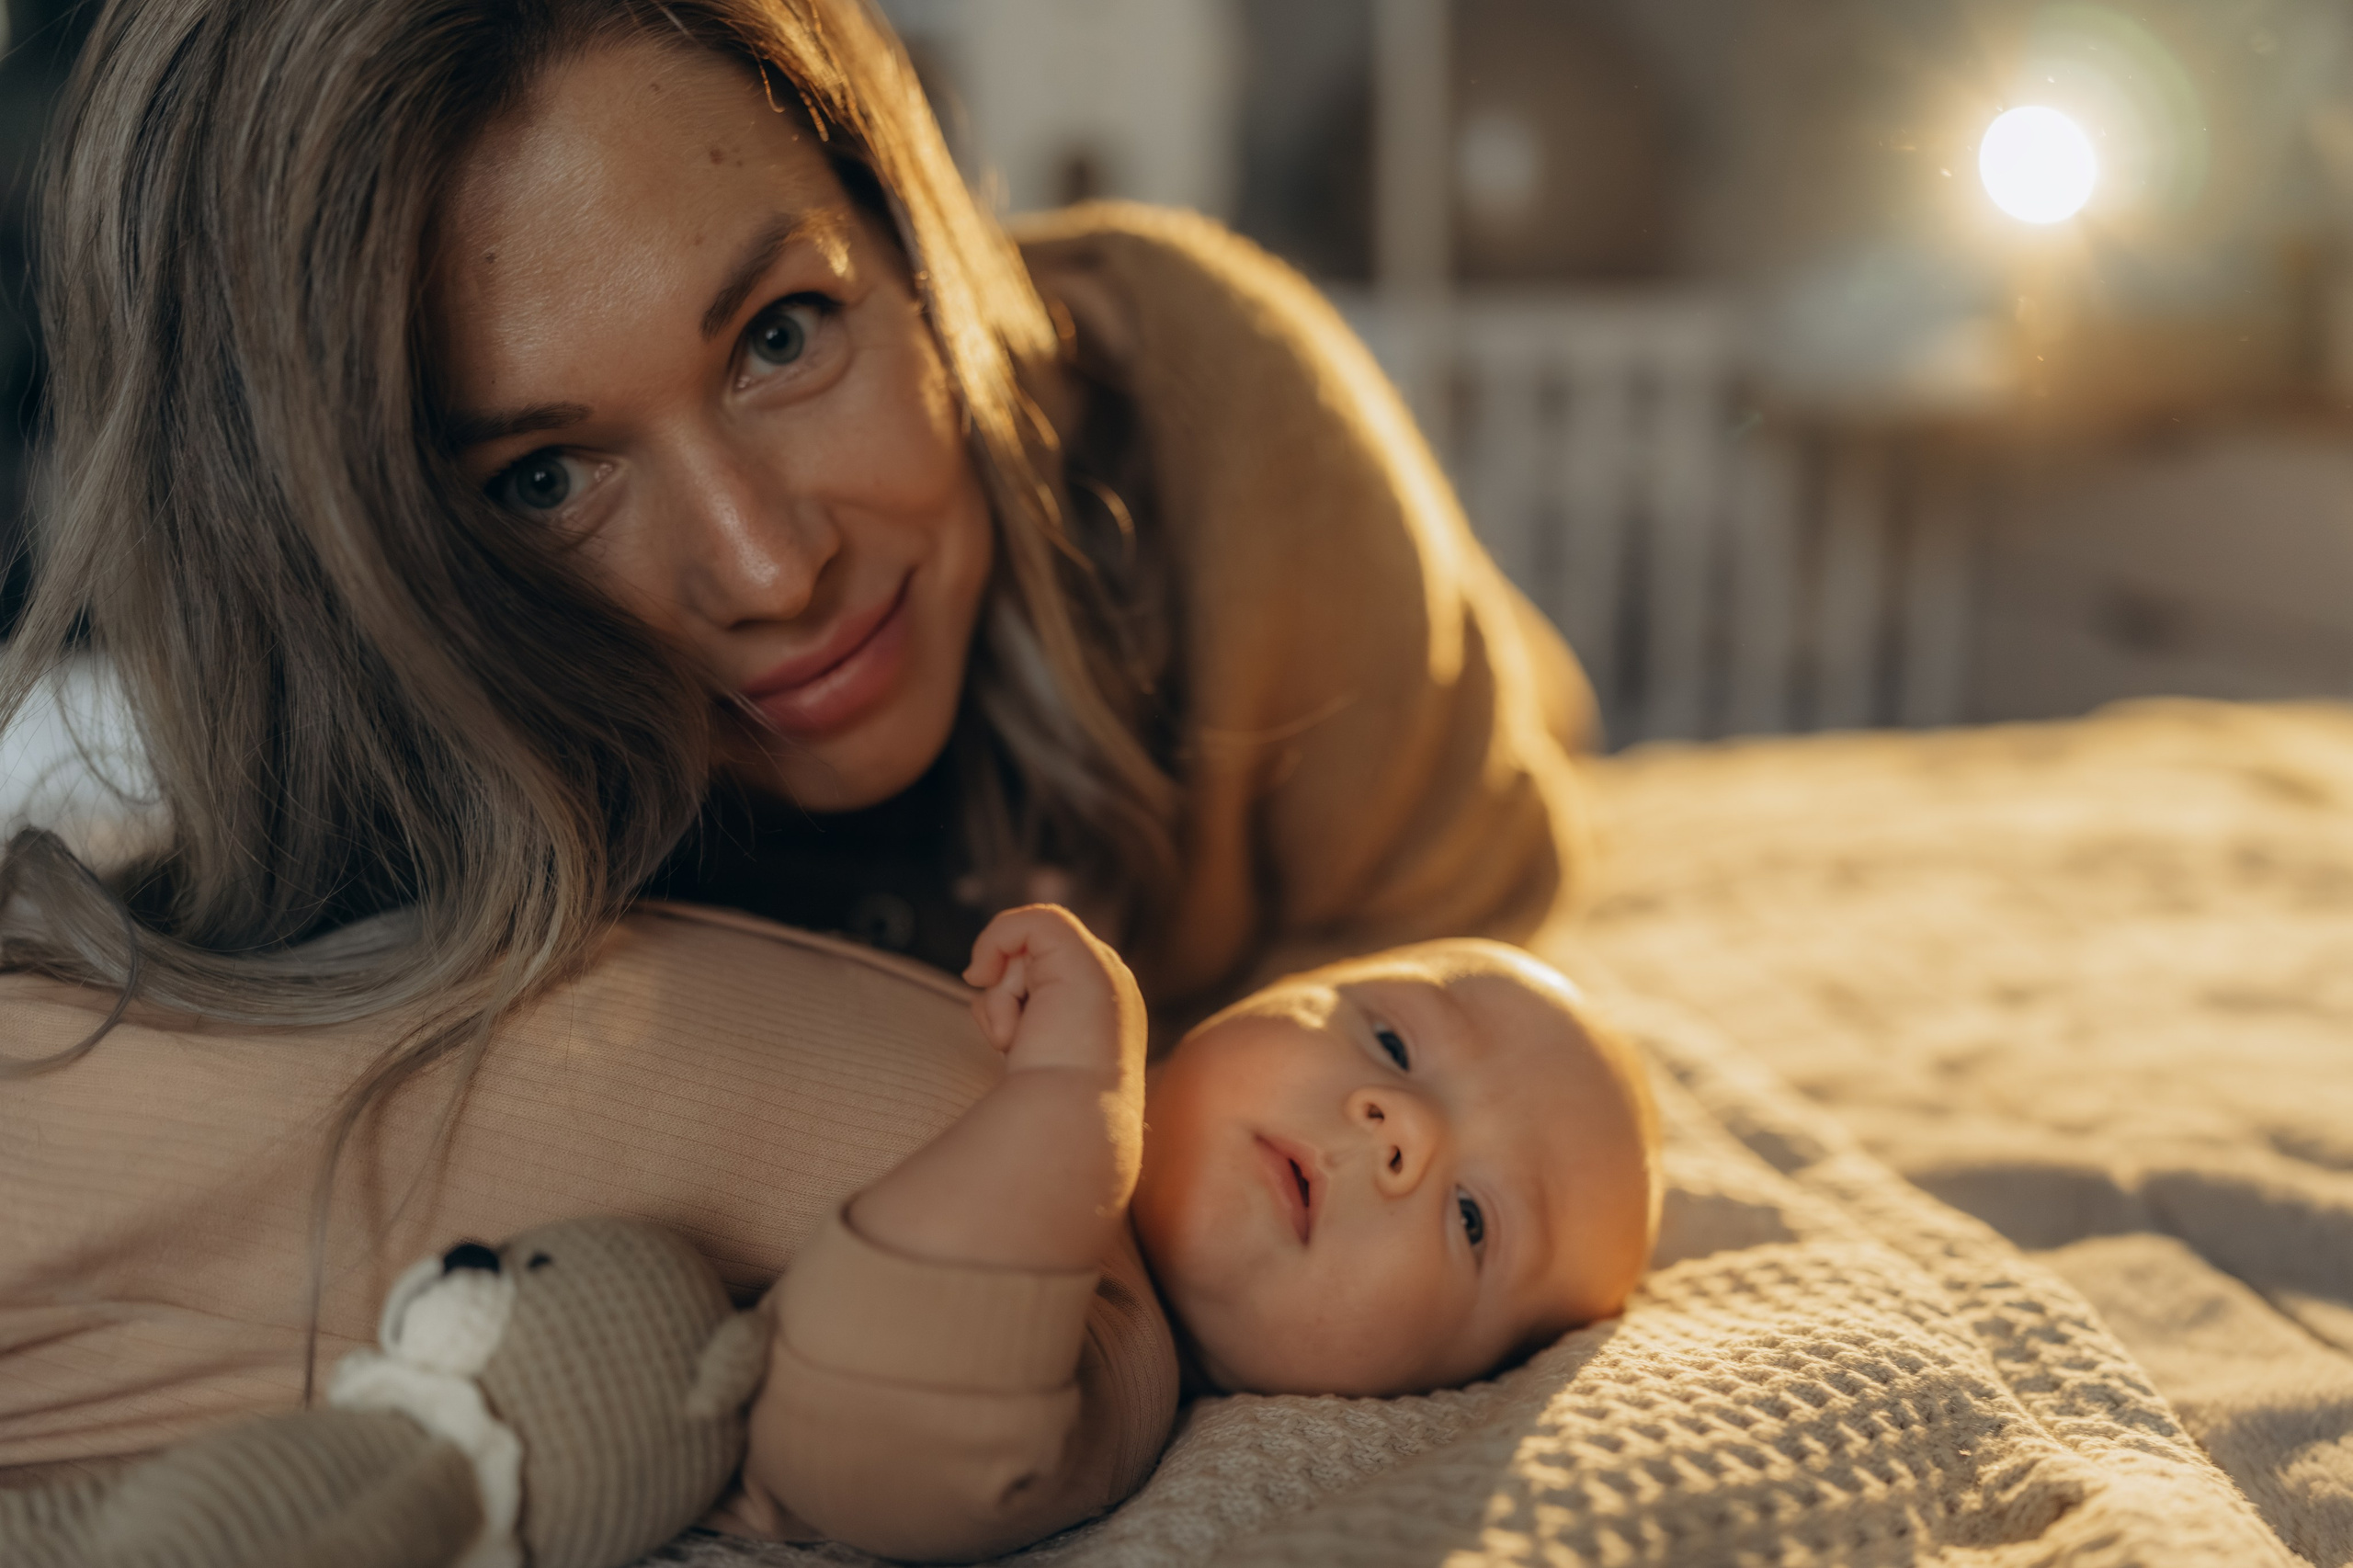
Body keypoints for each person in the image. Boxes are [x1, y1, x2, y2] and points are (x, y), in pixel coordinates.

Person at [0, 0, 1596, 1485]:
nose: (771, 569)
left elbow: (1484, 974)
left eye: (782, 333)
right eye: (545, 478)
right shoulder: (368, 806)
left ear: (913, 240)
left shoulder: (1213, 428)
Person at [743, 903, 1661, 1562]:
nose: (1402, 1127)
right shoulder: (1072, 1011)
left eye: (1471, 1218)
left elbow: (865, 1453)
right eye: (1391, 1040)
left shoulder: (1104, 1358)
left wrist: (1068, 1097)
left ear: (1446, 1385)